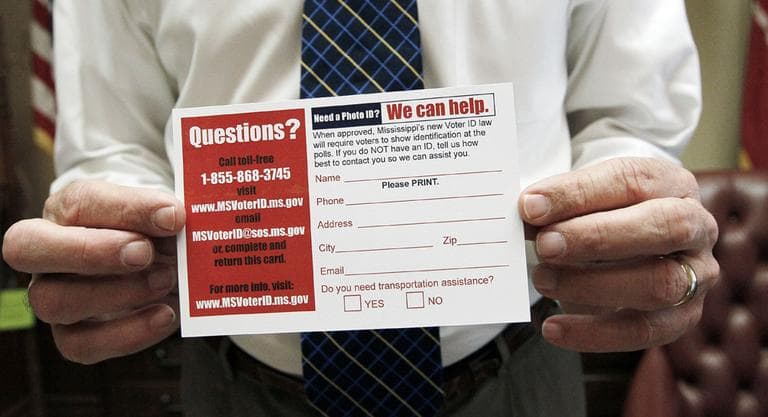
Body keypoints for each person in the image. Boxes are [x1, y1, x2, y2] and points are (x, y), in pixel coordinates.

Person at [3, 1, 719, 416]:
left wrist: (616, 212)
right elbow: (113, 141)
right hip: (235, 380)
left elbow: (632, 116)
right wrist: (120, 225)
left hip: (518, 371)